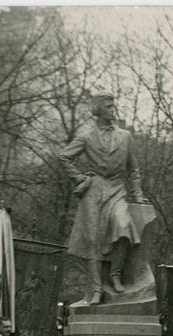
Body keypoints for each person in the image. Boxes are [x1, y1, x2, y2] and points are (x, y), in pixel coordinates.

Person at [59, 92, 147, 304]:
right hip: (94, 191)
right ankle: (97, 289)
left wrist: (138, 193)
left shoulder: (125, 136)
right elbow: (64, 157)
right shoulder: (87, 136)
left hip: (117, 189)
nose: (112, 109)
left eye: (113, 105)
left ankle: (115, 274)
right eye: (108, 106)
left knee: (124, 226)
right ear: (98, 110)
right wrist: (79, 178)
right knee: (94, 241)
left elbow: (133, 168)